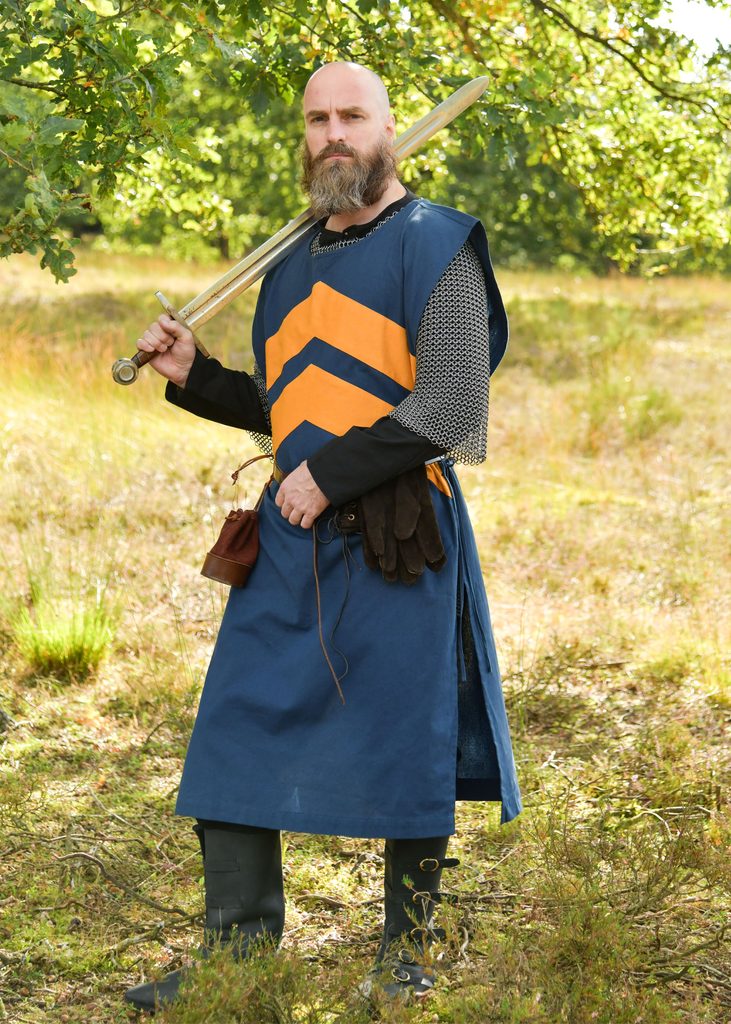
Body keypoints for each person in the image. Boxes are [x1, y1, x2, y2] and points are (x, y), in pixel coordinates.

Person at [124, 61, 522, 1012]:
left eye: (351, 115)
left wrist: (330, 474)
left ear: (389, 127)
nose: (333, 134)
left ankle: (404, 960)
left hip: (399, 535)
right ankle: (236, 957)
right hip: (293, 538)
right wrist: (197, 377)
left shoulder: (438, 244)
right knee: (234, 727)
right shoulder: (291, 258)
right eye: (316, 119)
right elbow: (296, 407)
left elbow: (450, 404)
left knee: (408, 743)